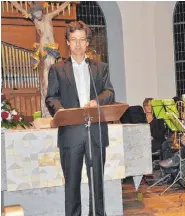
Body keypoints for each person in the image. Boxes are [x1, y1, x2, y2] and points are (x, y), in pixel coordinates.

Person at [45, 21, 115, 216]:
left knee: (97, 184)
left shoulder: (100, 68)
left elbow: (109, 91)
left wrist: (96, 101)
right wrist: (62, 113)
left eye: (81, 40)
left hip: (95, 133)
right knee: (72, 185)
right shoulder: (57, 69)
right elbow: (51, 97)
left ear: (87, 43)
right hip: (70, 133)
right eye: (73, 40)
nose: (77, 44)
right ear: (67, 42)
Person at [11, 2, 71, 117]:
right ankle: (47, 110)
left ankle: (54, 104)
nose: (37, 14)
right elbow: (21, 9)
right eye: (35, 13)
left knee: (54, 76)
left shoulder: (48, 17)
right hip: (44, 51)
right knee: (46, 78)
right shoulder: (34, 20)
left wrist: (67, 2)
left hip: (52, 50)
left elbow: (59, 9)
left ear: (42, 11)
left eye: (38, 11)